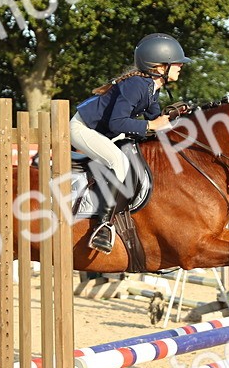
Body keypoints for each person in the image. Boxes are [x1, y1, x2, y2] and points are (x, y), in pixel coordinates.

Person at [69, 32, 187, 253]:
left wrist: (180, 124)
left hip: (104, 132)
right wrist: (151, 126)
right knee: (118, 162)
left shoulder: (151, 89)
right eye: (177, 62)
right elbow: (117, 123)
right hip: (83, 129)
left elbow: (155, 122)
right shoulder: (136, 85)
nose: (181, 66)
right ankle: (103, 225)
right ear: (160, 66)